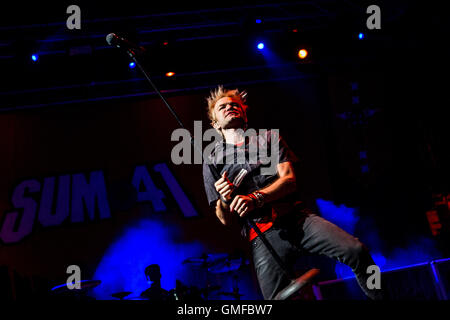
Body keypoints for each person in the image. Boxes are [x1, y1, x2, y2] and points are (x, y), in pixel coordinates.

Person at [202, 85, 384, 300]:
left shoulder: (268, 138)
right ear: (215, 124)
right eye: (223, 106)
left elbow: (288, 180)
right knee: (275, 298)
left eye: (235, 104)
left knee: (357, 251)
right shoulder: (212, 160)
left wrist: (256, 198)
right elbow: (224, 219)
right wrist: (224, 200)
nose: (230, 107)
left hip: (298, 220)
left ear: (244, 113)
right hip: (263, 236)